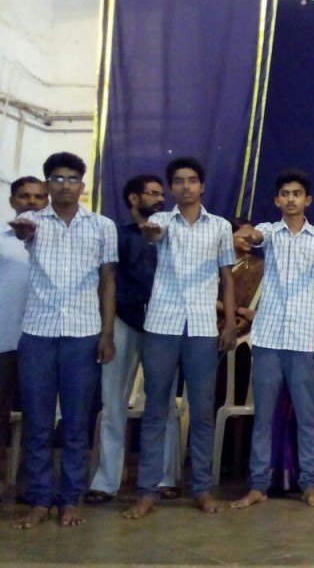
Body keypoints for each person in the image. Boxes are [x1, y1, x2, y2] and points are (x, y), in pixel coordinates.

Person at [123, 157, 236, 520]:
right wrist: (151, 233)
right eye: (179, 181)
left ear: (202, 186)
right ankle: (147, 491)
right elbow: (151, 235)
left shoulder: (220, 226)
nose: (186, 186)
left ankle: (201, 488)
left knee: (202, 410)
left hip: (203, 326)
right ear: (171, 188)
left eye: (192, 180)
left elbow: (227, 277)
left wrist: (229, 323)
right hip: (162, 323)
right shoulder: (160, 221)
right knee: (156, 409)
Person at [9, 153, 117, 529]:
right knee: (37, 423)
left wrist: (107, 334)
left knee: (75, 423)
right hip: (38, 334)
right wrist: (22, 230)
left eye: (72, 179)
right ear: (47, 185)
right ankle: (40, 500)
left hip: (84, 335)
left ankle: (70, 499)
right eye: (57, 178)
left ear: (82, 185)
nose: (65, 185)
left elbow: (108, 282)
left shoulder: (102, 226)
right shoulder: (33, 223)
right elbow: (22, 232)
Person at [229, 170, 314, 510]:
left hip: (305, 338)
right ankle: (257, 485)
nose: (291, 199)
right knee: (263, 416)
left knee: (307, 416)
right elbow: (254, 237)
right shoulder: (270, 232)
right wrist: (249, 234)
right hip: (268, 337)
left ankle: (309, 485)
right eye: (285, 193)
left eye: (297, 193)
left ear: (308, 200)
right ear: (277, 200)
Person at [87, 175, 182, 505]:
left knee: (163, 403)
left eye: (160, 193)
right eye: (151, 193)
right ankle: (106, 482)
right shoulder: (118, 234)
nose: (159, 198)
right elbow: (107, 281)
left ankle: (164, 478)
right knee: (113, 403)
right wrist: (107, 332)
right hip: (123, 322)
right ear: (133, 198)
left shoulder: (172, 234)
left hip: (163, 325)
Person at [0, 176, 47, 503]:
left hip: (43, 340)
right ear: (12, 201)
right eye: (25, 196)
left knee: (38, 418)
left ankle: (33, 487)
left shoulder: (58, 242)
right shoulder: (1, 241)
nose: (32, 201)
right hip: (4, 340)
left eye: (39, 197)